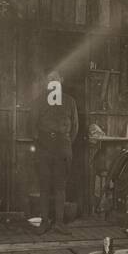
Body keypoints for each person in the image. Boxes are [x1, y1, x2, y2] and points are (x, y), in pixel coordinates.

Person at [31, 69, 79, 236]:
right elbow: (32, 128)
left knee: (60, 187)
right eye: (49, 78)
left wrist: (63, 144)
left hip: (63, 150)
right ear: (46, 82)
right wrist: (45, 142)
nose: (52, 81)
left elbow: (75, 128)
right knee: (44, 187)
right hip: (44, 150)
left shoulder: (70, 102)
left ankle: (59, 223)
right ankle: (44, 222)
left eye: (55, 78)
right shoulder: (38, 102)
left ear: (61, 80)